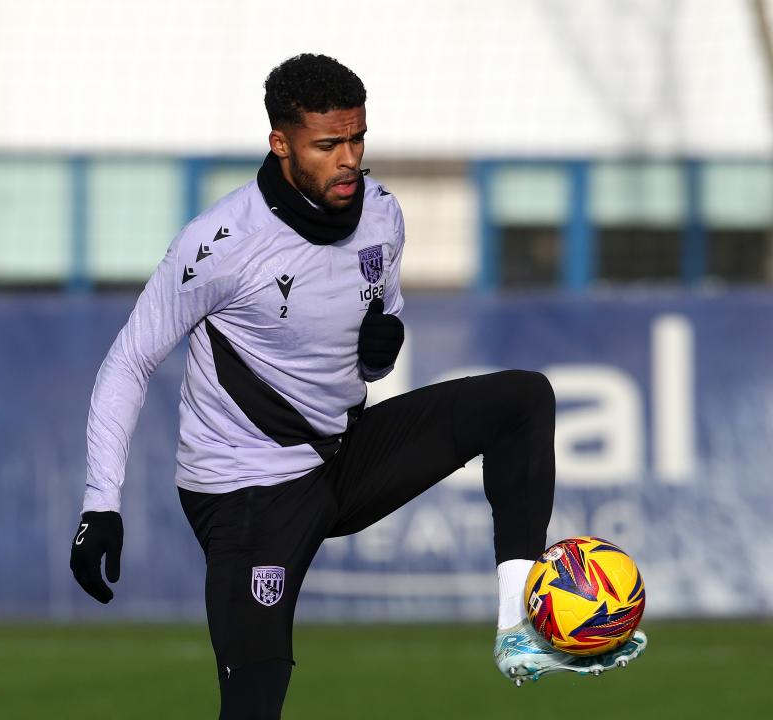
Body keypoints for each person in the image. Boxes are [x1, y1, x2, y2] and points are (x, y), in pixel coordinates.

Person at [70, 53, 646, 718]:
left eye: (356, 139)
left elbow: (378, 331)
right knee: (254, 700)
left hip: (341, 454)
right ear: (280, 144)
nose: (348, 159)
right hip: (246, 490)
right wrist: (100, 506)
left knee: (521, 401)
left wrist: (383, 346)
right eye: (327, 144)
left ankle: (520, 627)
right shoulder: (219, 245)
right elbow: (128, 362)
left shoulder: (381, 216)